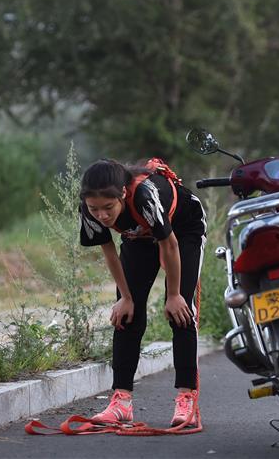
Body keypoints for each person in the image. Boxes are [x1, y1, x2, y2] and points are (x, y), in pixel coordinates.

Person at [79, 158, 206, 428]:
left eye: (108, 208)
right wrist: (125, 297)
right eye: (94, 209)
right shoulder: (89, 208)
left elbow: (169, 245)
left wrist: (173, 295)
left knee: (181, 313)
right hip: (139, 236)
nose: (101, 215)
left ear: (122, 194)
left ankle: (187, 400)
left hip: (183, 230)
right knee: (127, 314)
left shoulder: (144, 195)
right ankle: (121, 401)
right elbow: (109, 251)